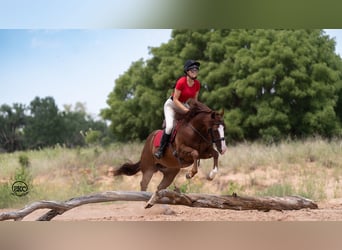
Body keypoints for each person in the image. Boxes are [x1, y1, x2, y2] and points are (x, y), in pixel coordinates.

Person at [154, 59, 201, 159]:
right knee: (170, 127)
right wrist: (185, 110)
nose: (195, 72)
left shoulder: (197, 84)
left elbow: (195, 101)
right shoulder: (181, 82)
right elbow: (175, 99)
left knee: (192, 124)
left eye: (196, 70)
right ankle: (161, 150)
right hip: (172, 105)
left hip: (184, 105)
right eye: (193, 70)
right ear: (187, 72)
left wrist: (197, 111)